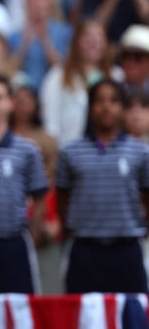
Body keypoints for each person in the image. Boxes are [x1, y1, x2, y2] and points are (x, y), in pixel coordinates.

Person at [56, 78, 149, 293]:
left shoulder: (141, 152)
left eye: (114, 101)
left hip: (127, 249)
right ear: (90, 108)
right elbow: (63, 199)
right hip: (84, 250)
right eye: (99, 100)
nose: (107, 106)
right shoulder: (70, 152)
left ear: (123, 108)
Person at [0, 74, 47, 294]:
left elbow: (39, 197)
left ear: (10, 102)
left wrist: (32, 234)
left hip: (14, 244)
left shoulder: (28, 149)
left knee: (19, 312)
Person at [39, 19, 123, 146]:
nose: (94, 43)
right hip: (67, 150)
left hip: (109, 152)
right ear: (76, 41)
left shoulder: (116, 76)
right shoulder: (57, 76)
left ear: (106, 43)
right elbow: (51, 124)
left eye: (99, 38)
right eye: (88, 37)